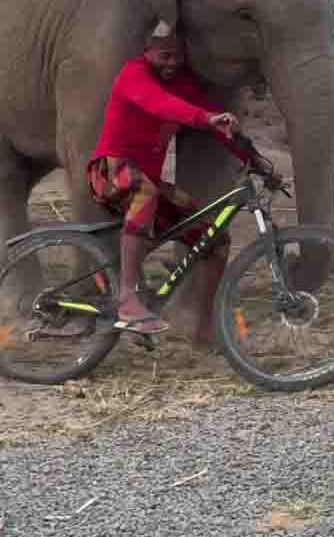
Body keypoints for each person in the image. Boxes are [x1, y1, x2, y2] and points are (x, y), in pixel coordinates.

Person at [86, 20, 253, 345]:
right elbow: (159, 103)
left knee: (214, 238)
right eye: (164, 55)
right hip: (108, 170)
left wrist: (255, 158)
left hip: (143, 181)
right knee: (146, 193)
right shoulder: (133, 73)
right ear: (146, 51)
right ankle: (127, 300)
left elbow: (216, 120)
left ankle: (204, 326)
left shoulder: (182, 83)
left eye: (178, 56)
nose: (172, 63)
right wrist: (204, 118)